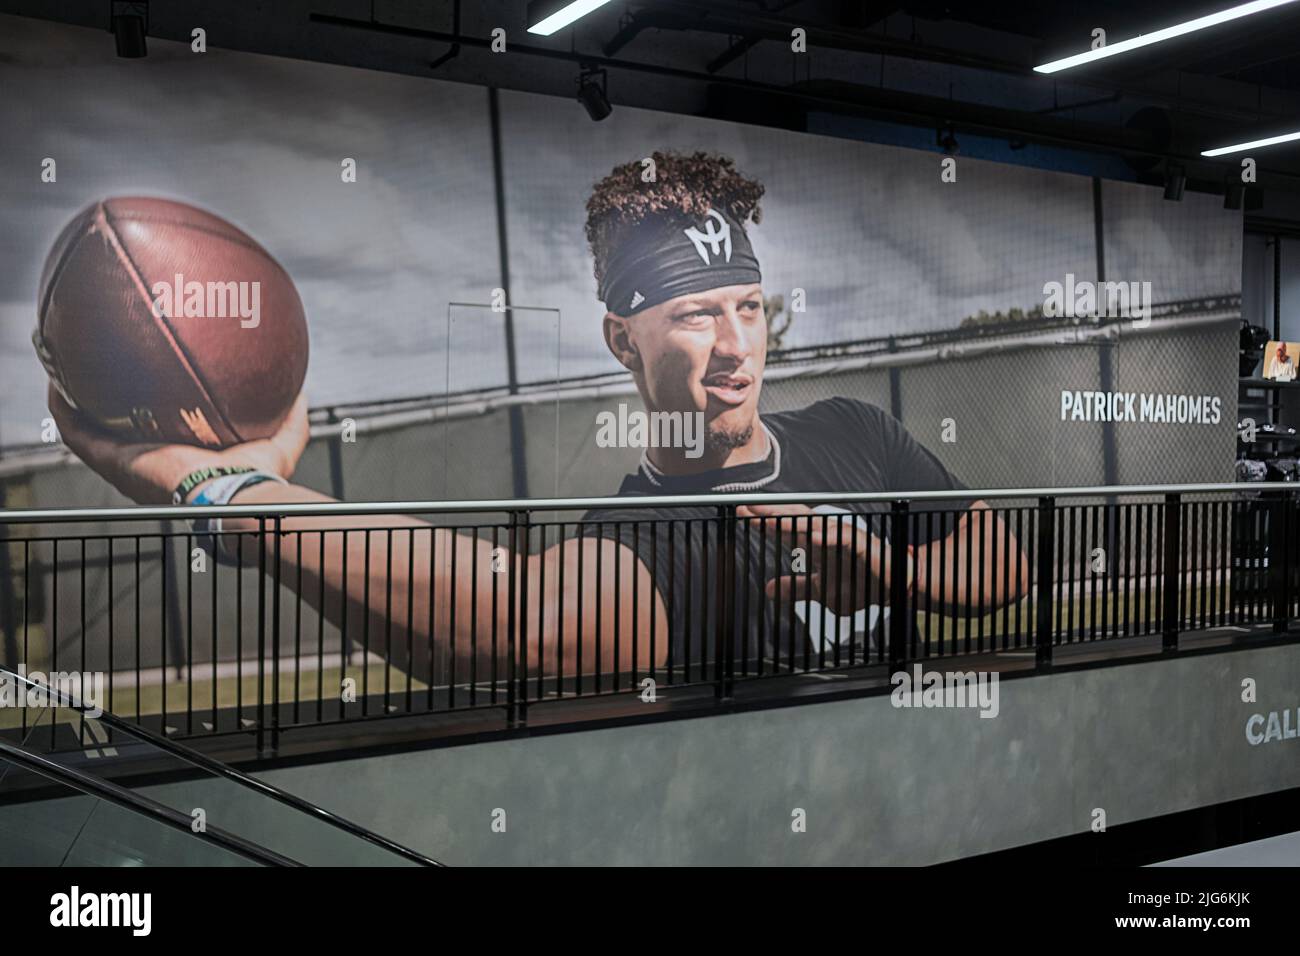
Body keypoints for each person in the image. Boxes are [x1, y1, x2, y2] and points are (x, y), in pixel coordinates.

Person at [51, 151, 1029, 688]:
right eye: (693, 314)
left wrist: (890, 568)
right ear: (621, 339)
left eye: (746, 306)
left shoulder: (854, 430)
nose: (735, 345)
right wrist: (230, 484)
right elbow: (510, 627)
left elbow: (1005, 566)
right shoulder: (646, 535)